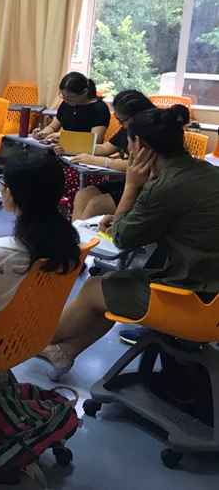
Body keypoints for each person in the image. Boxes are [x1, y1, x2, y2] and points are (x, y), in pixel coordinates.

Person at [38, 105, 219, 380]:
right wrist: (129, 216)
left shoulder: (165, 186)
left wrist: (132, 186)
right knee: (114, 288)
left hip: (196, 300)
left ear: (141, 146)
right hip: (210, 290)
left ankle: (35, 342)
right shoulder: (205, 171)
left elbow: (122, 238)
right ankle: (64, 352)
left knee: (95, 288)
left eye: (129, 142)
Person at [0, 150, 81, 317]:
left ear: (11, 194)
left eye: (2, 181)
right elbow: (8, 257)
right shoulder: (67, 239)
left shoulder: (7, 251)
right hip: (28, 329)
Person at [71, 91, 157, 220]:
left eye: (120, 120)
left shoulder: (151, 132)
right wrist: (68, 145)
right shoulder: (127, 128)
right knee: (83, 195)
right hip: (128, 181)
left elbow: (140, 164)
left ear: (134, 115)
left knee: (96, 205)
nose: (119, 124)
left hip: (146, 186)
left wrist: (97, 160)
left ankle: (84, 233)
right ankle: (75, 232)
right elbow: (105, 148)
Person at [33, 72, 110, 147]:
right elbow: (53, 127)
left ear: (84, 92)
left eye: (70, 98)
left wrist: (65, 136)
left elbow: (95, 140)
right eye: (64, 97)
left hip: (85, 152)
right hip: (63, 149)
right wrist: (44, 133)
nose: (66, 101)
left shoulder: (99, 109)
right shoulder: (66, 104)